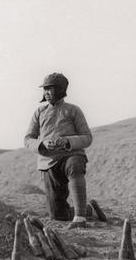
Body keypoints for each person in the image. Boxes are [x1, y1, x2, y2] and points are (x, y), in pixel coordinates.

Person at [24, 73, 93, 229]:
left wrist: (68, 141)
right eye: (45, 89)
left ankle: (80, 217)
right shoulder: (39, 113)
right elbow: (27, 139)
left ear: (61, 90)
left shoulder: (73, 110)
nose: (47, 93)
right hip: (48, 163)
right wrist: (43, 144)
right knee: (57, 215)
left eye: (51, 89)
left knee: (75, 166)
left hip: (71, 155)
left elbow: (87, 137)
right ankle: (89, 209)